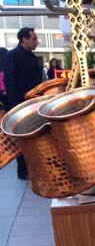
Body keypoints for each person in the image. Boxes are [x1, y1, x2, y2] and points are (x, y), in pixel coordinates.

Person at [3, 27, 43, 179]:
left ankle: (34, 168)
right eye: (33, 39)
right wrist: (16, 106)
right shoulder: (12, 56)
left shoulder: (32, 57)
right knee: (21, 138)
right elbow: (9, 82)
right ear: (24, 40)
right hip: (19, 104)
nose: (36, 42)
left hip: (33, 103)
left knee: (34, 137)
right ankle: (23, 171)